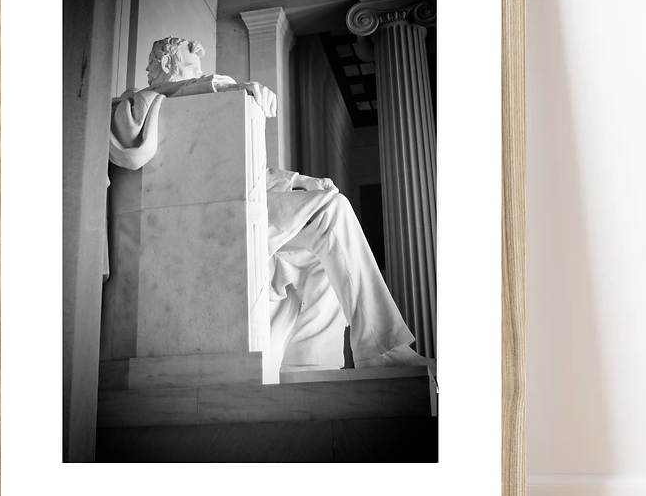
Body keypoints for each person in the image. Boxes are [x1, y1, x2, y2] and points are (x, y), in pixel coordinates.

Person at [109, 35, 429, 371]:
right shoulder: (140, 103)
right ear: (166, 65)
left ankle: (308, 370)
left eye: (202, 72)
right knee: (331, 213)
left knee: (325, 252)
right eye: (193, 66)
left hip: (232, 208)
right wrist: (219, 87)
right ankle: (383, 351)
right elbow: (129, 139)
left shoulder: (206, 99)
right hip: (198, 223)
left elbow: (250, 174)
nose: (202, 73)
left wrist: (299, 181)